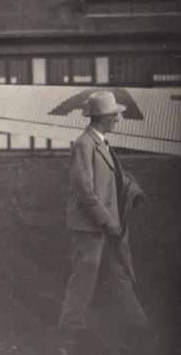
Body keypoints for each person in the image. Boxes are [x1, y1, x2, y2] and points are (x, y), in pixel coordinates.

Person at [58, 90, 148, 336]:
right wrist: (108, 220)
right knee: (84, 276)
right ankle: (70, 326)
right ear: (101, 118)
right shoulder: (84, 144)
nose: (117, 119)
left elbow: (109, 180)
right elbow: (83, 189)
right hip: (91, 227)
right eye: (114, 115)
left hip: (104, 224)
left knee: (119, 271)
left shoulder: (100, 143)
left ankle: (138, 322)